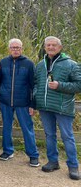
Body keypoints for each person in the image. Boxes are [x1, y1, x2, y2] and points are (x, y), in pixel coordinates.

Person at [34, 36, 81, 180]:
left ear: (60, 48)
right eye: (48, 45)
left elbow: (79, 85)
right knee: (49, 135)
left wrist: (60, 85)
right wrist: (36, 97)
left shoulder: (71, 64)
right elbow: (36, 83)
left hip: (63, 107)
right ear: (45, 47)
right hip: (45, 107)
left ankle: (73, 166)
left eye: (54, 45)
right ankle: (53, 161)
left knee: (67, 137)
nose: (51, 47)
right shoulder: (40, 64)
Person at [0, 39, 40, 167]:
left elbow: (33, 85)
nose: (15, 50)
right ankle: (8, 151)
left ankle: (33, 155)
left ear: (22, 48)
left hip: (23, 102)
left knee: (27, 128)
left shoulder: (29, 64)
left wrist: (32, 104)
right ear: (9, 49)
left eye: (18, 47)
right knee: (7, 127)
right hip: (5, 101)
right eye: (13, 47)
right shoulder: (3, 62)